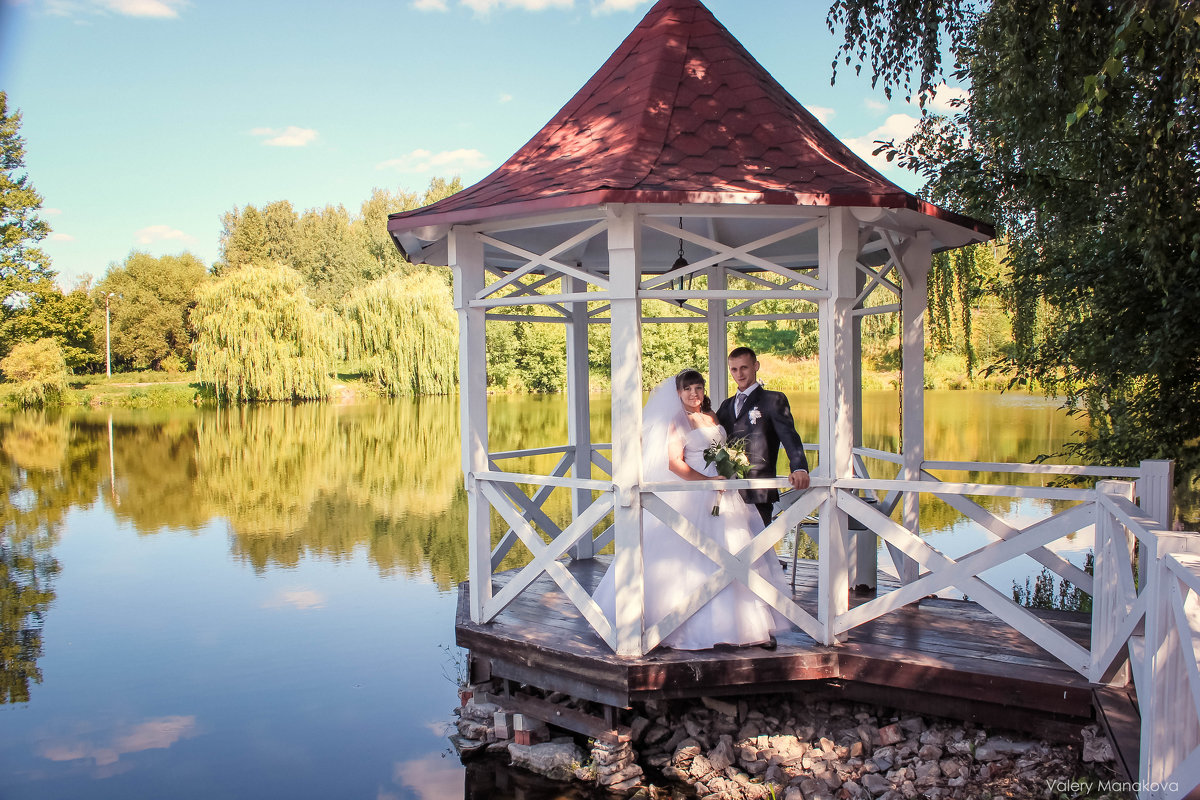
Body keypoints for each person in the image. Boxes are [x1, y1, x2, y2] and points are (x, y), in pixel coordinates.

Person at [592, 369, 791, 651]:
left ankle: (747, 625)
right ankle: (675, 624)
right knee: (691, 558)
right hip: (694, 496)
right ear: (678, 393)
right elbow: (674, 462)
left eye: (698, 388)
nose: (694, 394)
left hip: (726, 494)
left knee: (736, 551)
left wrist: (731, 465)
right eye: (688, 389)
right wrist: (707, 482)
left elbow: (723, 448)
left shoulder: (712, 416)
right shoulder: (676, 421)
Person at [715, 347, 810, 528]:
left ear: (756, 366)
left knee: (758, 549)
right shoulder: (726, 405)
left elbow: (789, 436)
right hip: (728, 492)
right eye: (734, 369)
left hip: (759, 491)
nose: (739, 374)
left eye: (744, 368)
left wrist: (799, 468)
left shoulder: (773, 400)